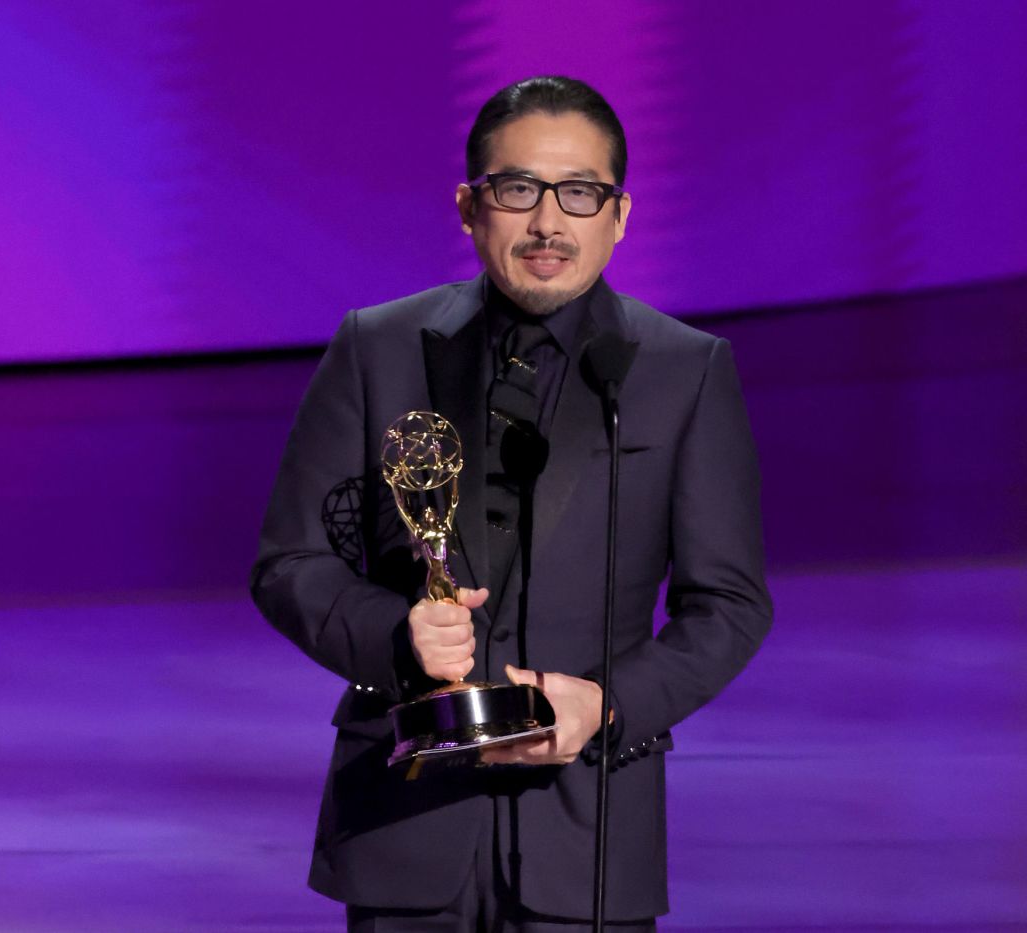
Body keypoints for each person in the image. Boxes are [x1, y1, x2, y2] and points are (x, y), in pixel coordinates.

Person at [251, 75, 772, 931]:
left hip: (588, 833)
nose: (548, 222)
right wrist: (397, 633)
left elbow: (730, 605)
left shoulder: (684, 371)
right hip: (403, 822)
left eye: (580, 193)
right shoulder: (376, 348)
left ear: (620, 214)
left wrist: (604, 705)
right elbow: (290, 563)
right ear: (469, 206)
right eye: (518, 188)